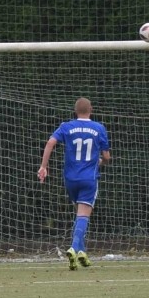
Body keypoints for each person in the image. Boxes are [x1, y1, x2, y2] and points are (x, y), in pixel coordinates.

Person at [38, 97, 111, 270]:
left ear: (75, 110)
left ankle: (82, 253)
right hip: (88, 178)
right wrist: (101, 162)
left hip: (70, 179)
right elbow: (106, 157)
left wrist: (43, 166)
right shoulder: (98, 128)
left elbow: (50, 143)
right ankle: (74, 247)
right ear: (91, 109)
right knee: (83, 215)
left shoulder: (66, 126)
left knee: (80, 215)